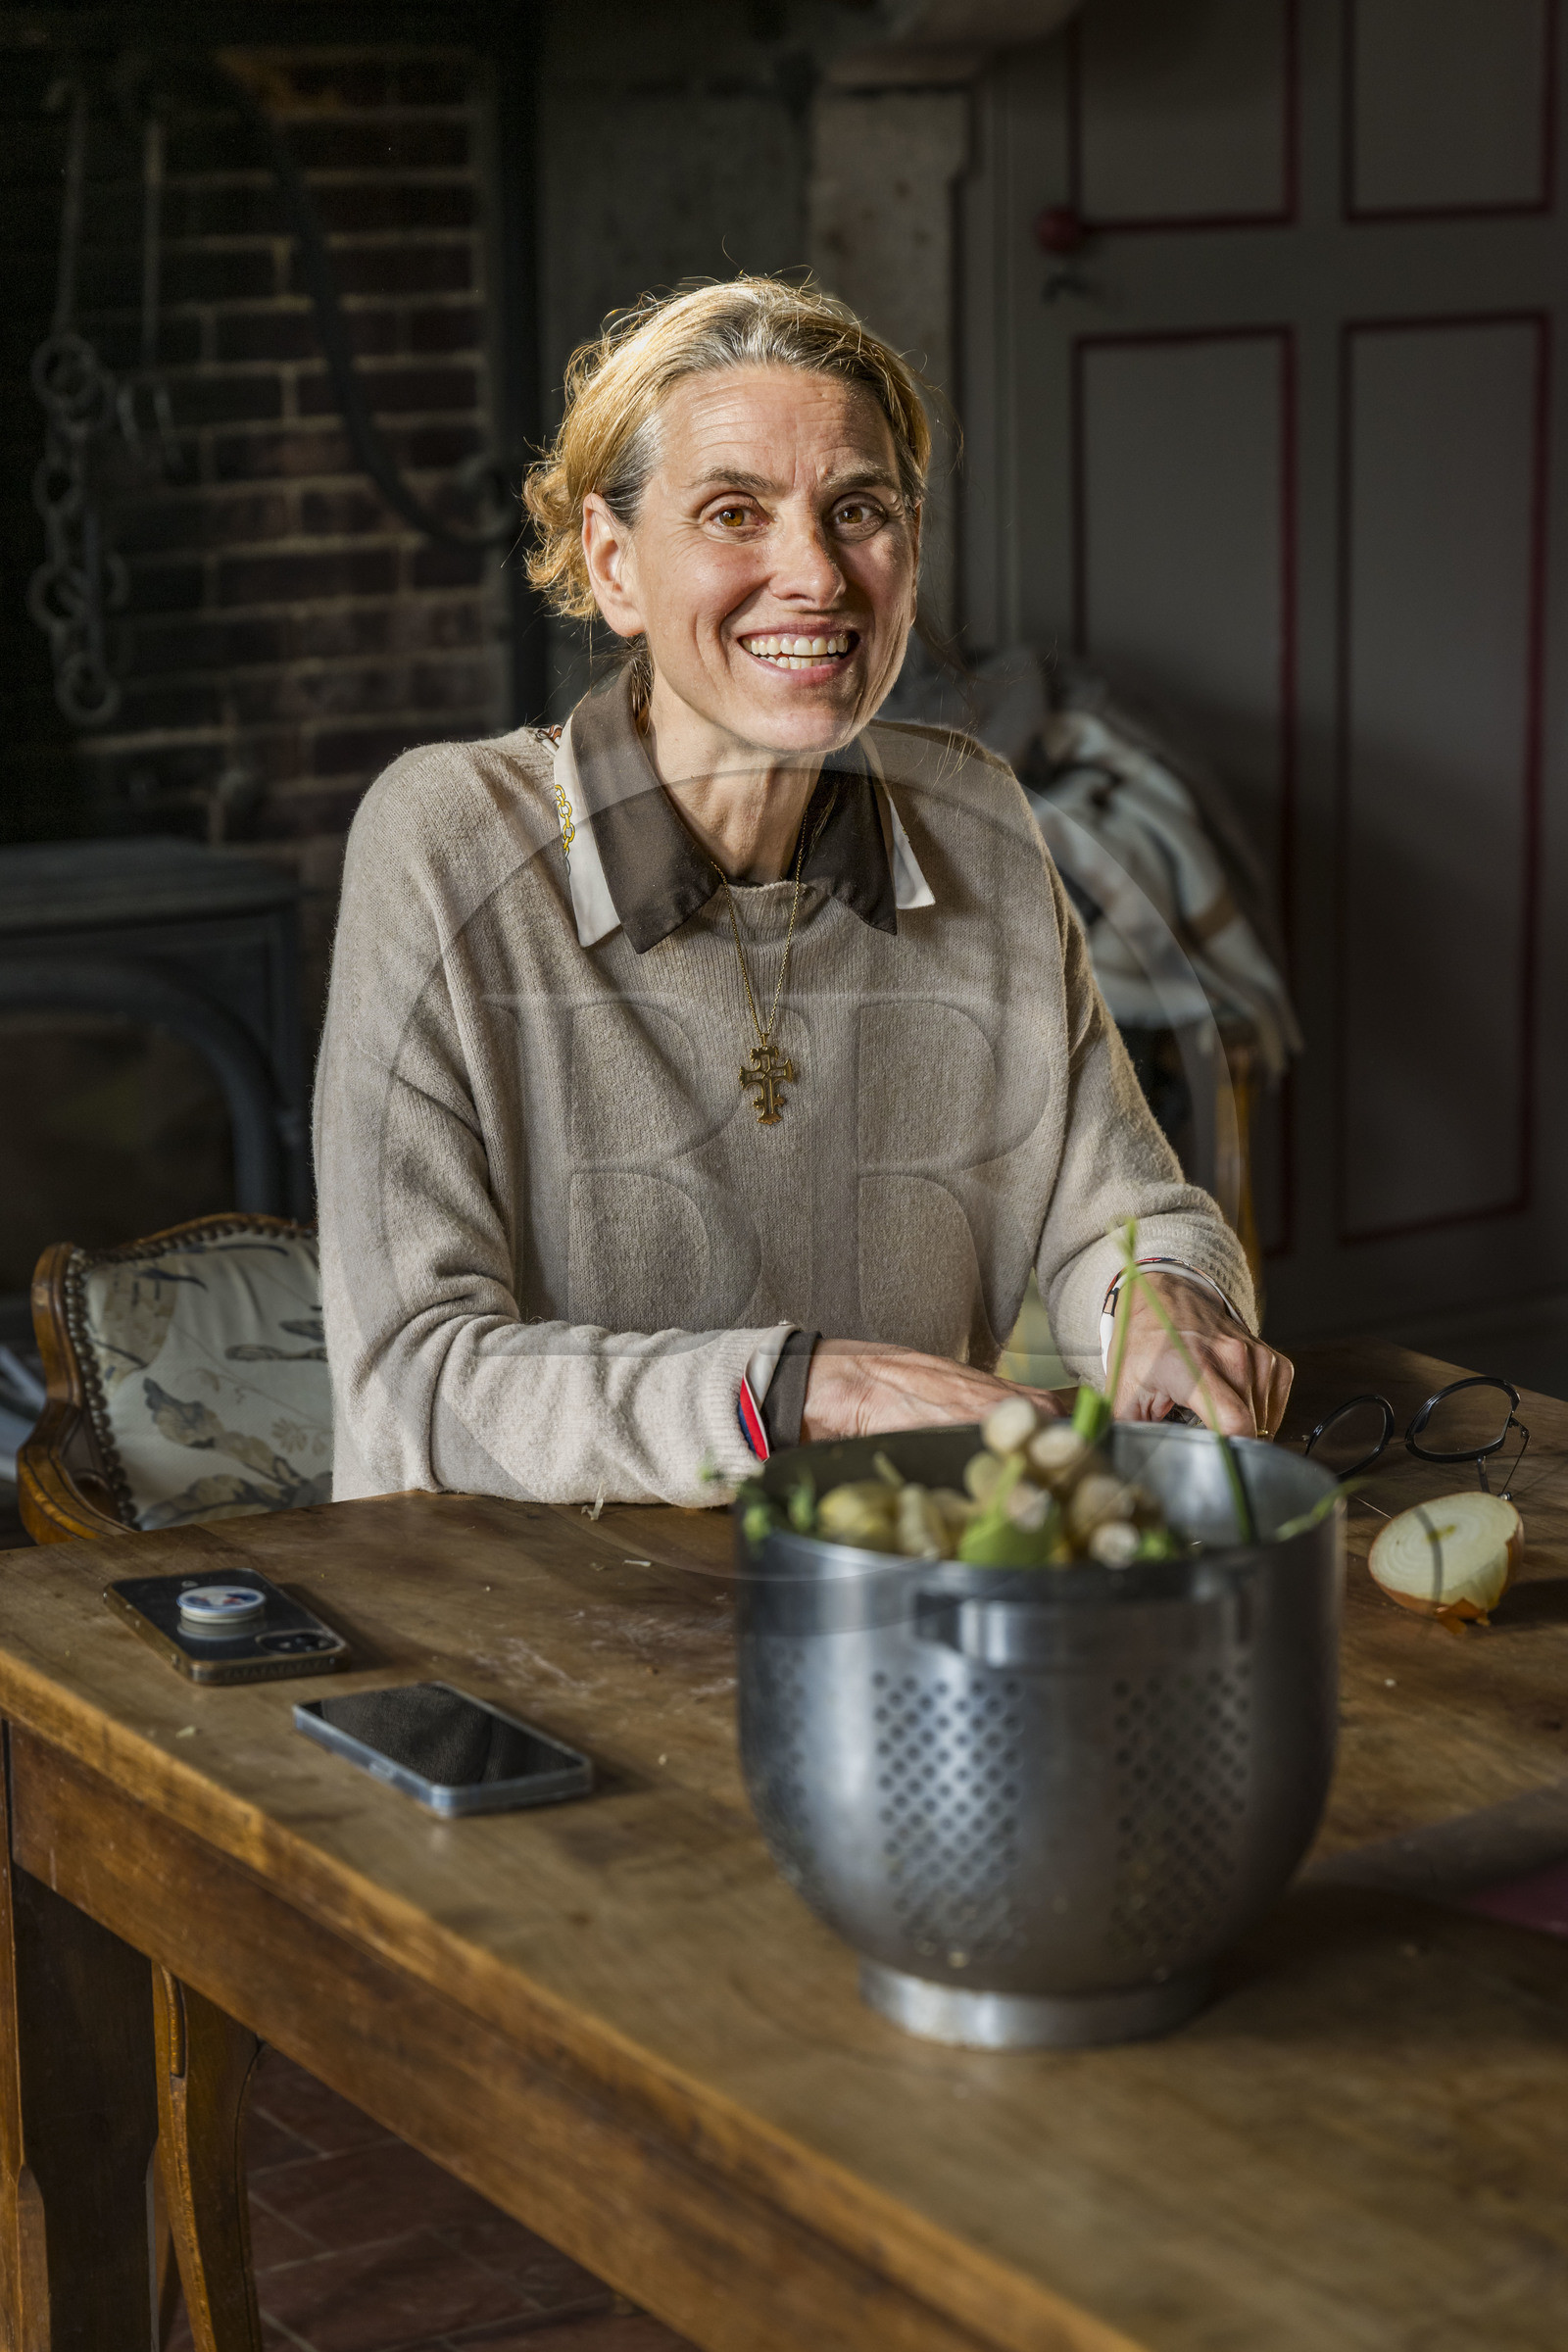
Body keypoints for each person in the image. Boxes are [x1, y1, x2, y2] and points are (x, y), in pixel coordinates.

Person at [315, 276, 1291, 1507]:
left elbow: (1128, 1209)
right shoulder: (445, 840)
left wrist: (1164, 1303)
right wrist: (806, 1388)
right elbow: (417, 1382)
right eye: (734, 512)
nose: (816, 576)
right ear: (612, 565)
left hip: (898, 1591)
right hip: (530, 1626)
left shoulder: (975, 819)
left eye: (859, 510)